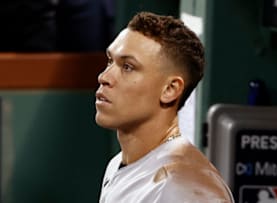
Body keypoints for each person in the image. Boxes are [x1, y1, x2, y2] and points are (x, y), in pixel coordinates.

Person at [95, 11, 234, 203]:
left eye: (128, 67)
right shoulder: (119, 163)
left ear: (170, 89)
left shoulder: (186, 189)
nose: (104, 77)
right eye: (111, 61)